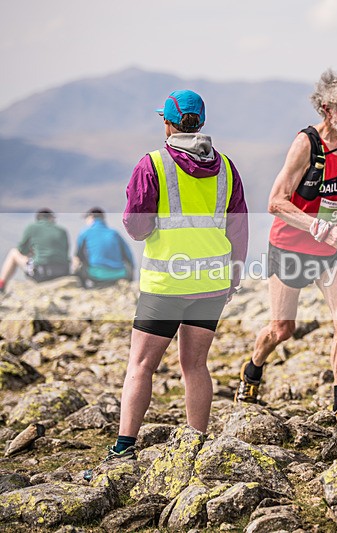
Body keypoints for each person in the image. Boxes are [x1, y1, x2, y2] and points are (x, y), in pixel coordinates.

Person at [108, 89, 249, 460]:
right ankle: (196, 446)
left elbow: (137, 228)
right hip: (214, 282)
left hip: (167, 282)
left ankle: (123, 449)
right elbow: (239, 229)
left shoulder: (151, 164)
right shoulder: (227, 168)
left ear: (167, 122)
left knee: (141, 365)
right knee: (196, 365)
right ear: (200, 122)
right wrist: (234, 276)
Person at [235, 69, 337, 414]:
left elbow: (335, 195)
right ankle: (253, 368)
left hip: (330, 248)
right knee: (282, 329)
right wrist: (320, 226)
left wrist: (336, 225)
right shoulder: (305, 144)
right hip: (289, 248)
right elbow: (275, 201)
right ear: (326, 108)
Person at [0, 208, 70, 292]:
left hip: (41, 274)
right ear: (51, 218)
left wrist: (31, 252)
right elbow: (65, 253)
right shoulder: (62, 230)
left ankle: (1, 285)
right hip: (62, 273)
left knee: (13, 252)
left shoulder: (32, 227)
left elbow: (21, 250)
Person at [73, 207, 135, 288]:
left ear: (91, 217)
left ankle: (85, 290)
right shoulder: (114, 233)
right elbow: (129, 256)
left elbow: (78, 256)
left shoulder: (85, 233)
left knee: (79, 266)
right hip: (119, 274)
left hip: (96, 275)